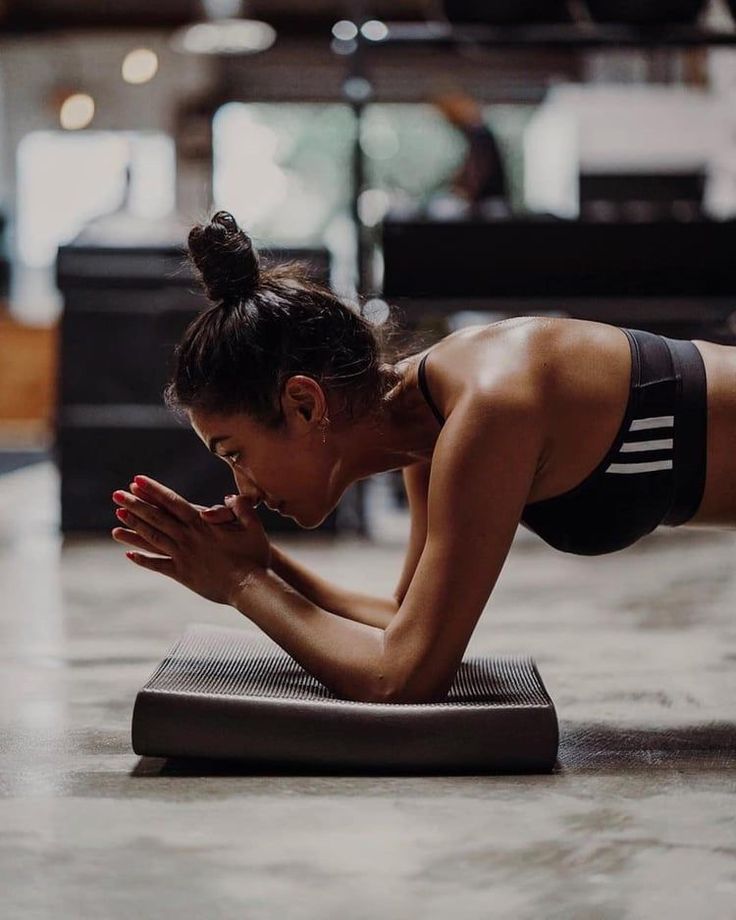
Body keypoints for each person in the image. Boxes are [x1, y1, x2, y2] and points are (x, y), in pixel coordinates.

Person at [111, 211, 736, 704]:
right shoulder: (427, 431)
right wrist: (263, 562)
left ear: (304, 405)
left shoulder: (489, 406)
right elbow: (403, 623)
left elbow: (402, 676)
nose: (241, 490)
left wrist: (241, 584)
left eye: (235, 453)